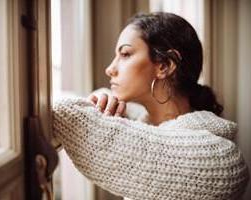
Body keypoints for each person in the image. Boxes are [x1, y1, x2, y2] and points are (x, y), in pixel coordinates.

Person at [52, 12, 249, 199]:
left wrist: (93, 105)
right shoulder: (149, 124)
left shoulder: (219, 159)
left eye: (126, 54)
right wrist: (101, 96)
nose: (110, 69)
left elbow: (67, 114)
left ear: (165, 66)